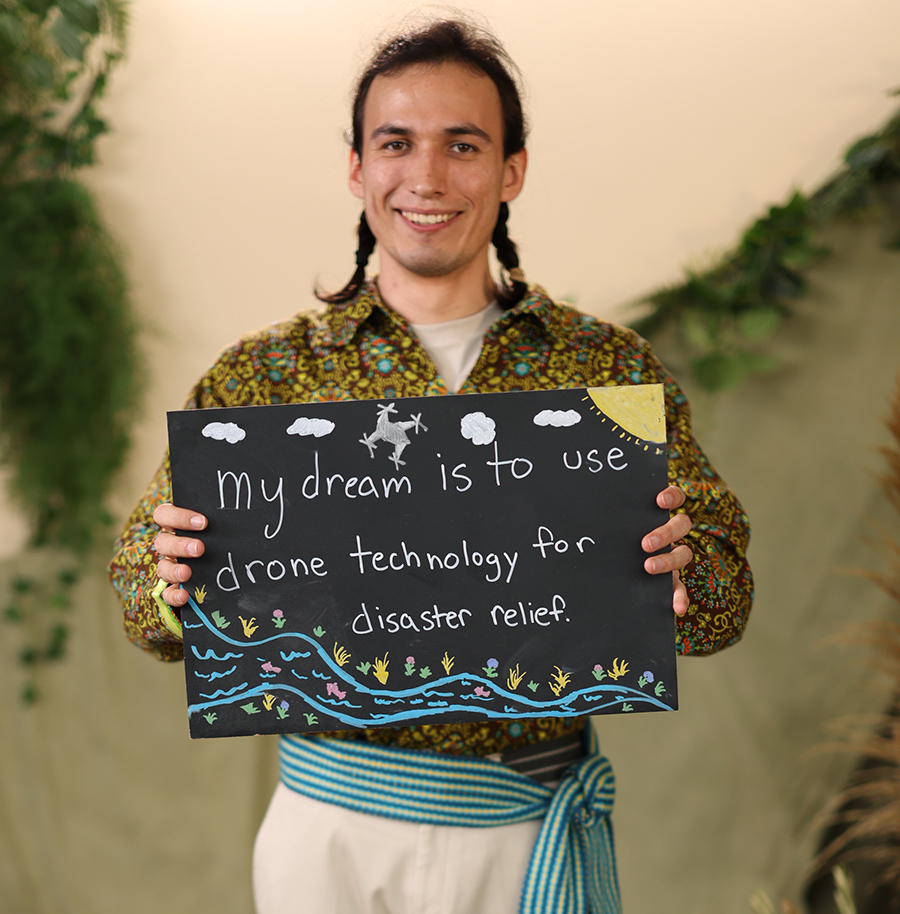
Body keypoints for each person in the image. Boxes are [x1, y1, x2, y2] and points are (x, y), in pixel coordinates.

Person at [109, 18, 753, 914]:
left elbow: (723, 604)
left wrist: (686, 573)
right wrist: (164, 574)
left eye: (463, 145)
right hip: (328, 831)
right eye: (396, 144)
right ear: (357, 169)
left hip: (526, 824)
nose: (427, 177)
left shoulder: (608, 374)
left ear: (511, 170)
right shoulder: (264, 378)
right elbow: (145, 609)